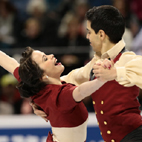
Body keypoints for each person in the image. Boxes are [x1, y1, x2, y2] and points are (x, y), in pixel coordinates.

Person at [33, 5, 142, 142]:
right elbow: (67, 80)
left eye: (89, 32)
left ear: (101, 34)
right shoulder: (94, 65)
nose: (87, 36)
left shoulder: (127, 59)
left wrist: (115, 73)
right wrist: (38, 99)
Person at [0, 47, 110, 142]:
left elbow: (7, 61)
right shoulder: (60, 96)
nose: (51, 55)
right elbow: (81, 91)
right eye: (45, 58)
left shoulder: (36, 87)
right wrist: (100, 81)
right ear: (42, 75)